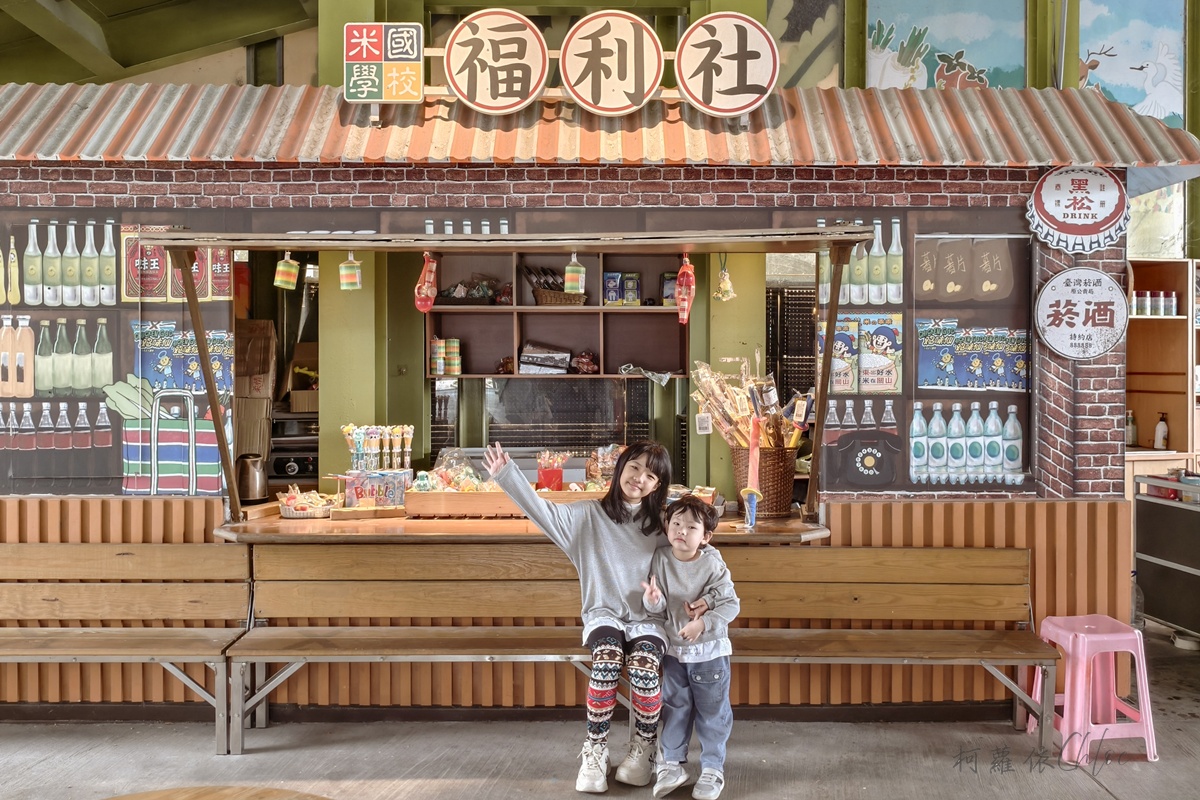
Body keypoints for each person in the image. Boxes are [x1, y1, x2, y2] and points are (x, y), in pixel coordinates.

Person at [483, 440, 673, 794]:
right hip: (603, 615)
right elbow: (542, 511)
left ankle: (644, 748)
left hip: (648, 620)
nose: (639, 478)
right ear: (621, 467)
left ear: (657, 486)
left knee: (646, 673)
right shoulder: (586, 516)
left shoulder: (663, 525)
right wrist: (507, 476)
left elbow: (690, 555)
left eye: (650, 475)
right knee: (606, 664)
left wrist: (663, 599)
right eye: (634, 467)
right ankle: (595, 750)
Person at [641, 495, 740, 800]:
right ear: (666, 526)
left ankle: (712, 768)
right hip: (674, 653)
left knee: (712, 711)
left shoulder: (712, 562)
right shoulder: (659, 559)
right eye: (676, 523)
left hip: (710, 653)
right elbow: (655, 610)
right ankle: (671, 764)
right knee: (674, 709)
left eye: (691, 527)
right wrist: (653, 599)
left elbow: (730, 604)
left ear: (706, 536)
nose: (681, 531)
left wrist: (704, 623)